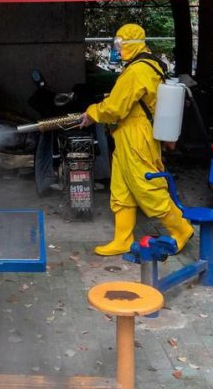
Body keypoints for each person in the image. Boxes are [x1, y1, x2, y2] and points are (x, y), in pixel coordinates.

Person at [78, 23, 193, 256]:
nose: (117, 49)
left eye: (120, 44)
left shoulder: (137, 70)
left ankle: (181, 229)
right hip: (126, 135)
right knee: (121, 190)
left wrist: (92, 112)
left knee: (148, 188)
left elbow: (116, 107)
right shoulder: (146, 65)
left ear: (132, 43)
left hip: (136, 137)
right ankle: (122, 239)